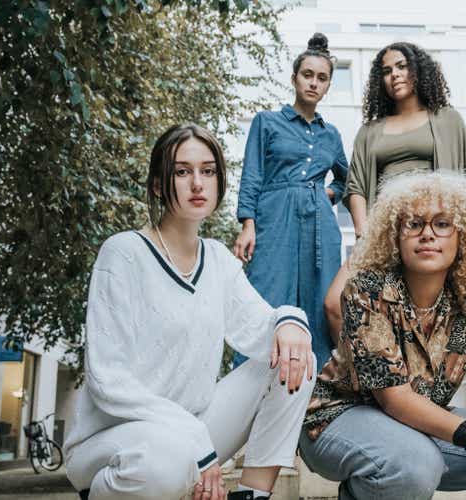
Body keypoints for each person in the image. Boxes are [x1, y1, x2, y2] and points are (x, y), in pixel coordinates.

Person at [63, 124, 316, 500]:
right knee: (165, 461)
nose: (198, 183)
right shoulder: (123, 253)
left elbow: (263, 330)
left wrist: (293, 321)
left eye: (208, 171)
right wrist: (194, 439)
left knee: (296, 359)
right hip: (115, 438)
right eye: (182, 171)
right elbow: (107, 379)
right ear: (158, 185)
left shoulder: (217, 259)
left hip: (193, 431)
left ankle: (251, 495)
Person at [300, 173, 466, 500]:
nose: (427, 234)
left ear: (463, 235)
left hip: (414, 427)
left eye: (442, 224)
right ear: (395, 236)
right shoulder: (369, 289)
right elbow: (395, 399)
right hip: (337, 418)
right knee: (414, 462)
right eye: (414, 224)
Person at [324, 41, 466, 336]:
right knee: (335, 304)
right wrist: (364, 233)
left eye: (401, 66)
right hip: (382, 231)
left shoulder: (447, 119)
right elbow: (355, 185)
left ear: (418, 70)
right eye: (386, 70)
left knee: (431, 317)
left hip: (429, 231)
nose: (394, 74)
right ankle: (365, 378)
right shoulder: (370, 131)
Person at [234, 33, 348, 367]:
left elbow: (346, 178)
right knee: (265, 295)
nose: (314, 83)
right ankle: (251, 385)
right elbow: (252, 174)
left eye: (322, 78)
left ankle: (320, 398)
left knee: (320, 302)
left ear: (327, 86)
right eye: (307, 75)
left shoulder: (332, 135)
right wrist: (247, 224)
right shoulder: (267, 122)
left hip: (319, 226)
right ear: (294, 77)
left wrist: (329, 193)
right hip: (274, 217)